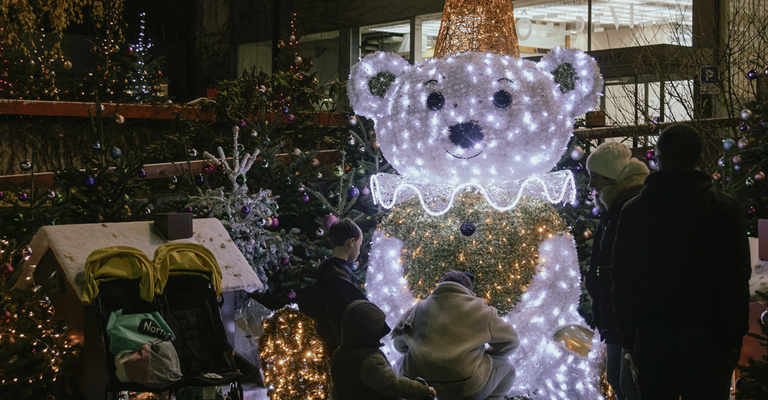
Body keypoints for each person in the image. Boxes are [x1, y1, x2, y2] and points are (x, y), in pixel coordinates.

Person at [611, 123, 752, 399]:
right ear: (700, 159)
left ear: (658, 158)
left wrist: (628, 340)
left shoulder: (634, 211)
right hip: (710, 339)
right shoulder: (724, 209)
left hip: (651, 337)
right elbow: (736, 280)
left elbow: (622, 281)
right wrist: (734, 341)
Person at [391, 270, 519, 400]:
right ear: (468, 288)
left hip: (417, 382)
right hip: (466, 388)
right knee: (509, 369)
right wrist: (489, 354)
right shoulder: (481, 308)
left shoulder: (418, 307)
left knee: (398, 364)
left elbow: (398, 345)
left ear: (441, 284)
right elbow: (511, 342)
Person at [585, 141, 648, 400]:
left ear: (612, 178)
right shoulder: (613, 207)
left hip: (624, 311)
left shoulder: (630, 207)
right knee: (616, 379)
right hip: (612, 310)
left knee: (628, 383)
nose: (591, 184)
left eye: (595, 177)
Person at [297, 218, 382, 355]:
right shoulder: (340, 273)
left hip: (329, 340)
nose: (359, 251)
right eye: (359, 246)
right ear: (351, 242)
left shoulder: (326, 267)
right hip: (340, 344)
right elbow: (347, 311)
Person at [331, 300, 437, 400]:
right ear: (368, 332)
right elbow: (393, 386)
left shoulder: (340, 352)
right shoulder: (369, 361)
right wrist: (423, 389)